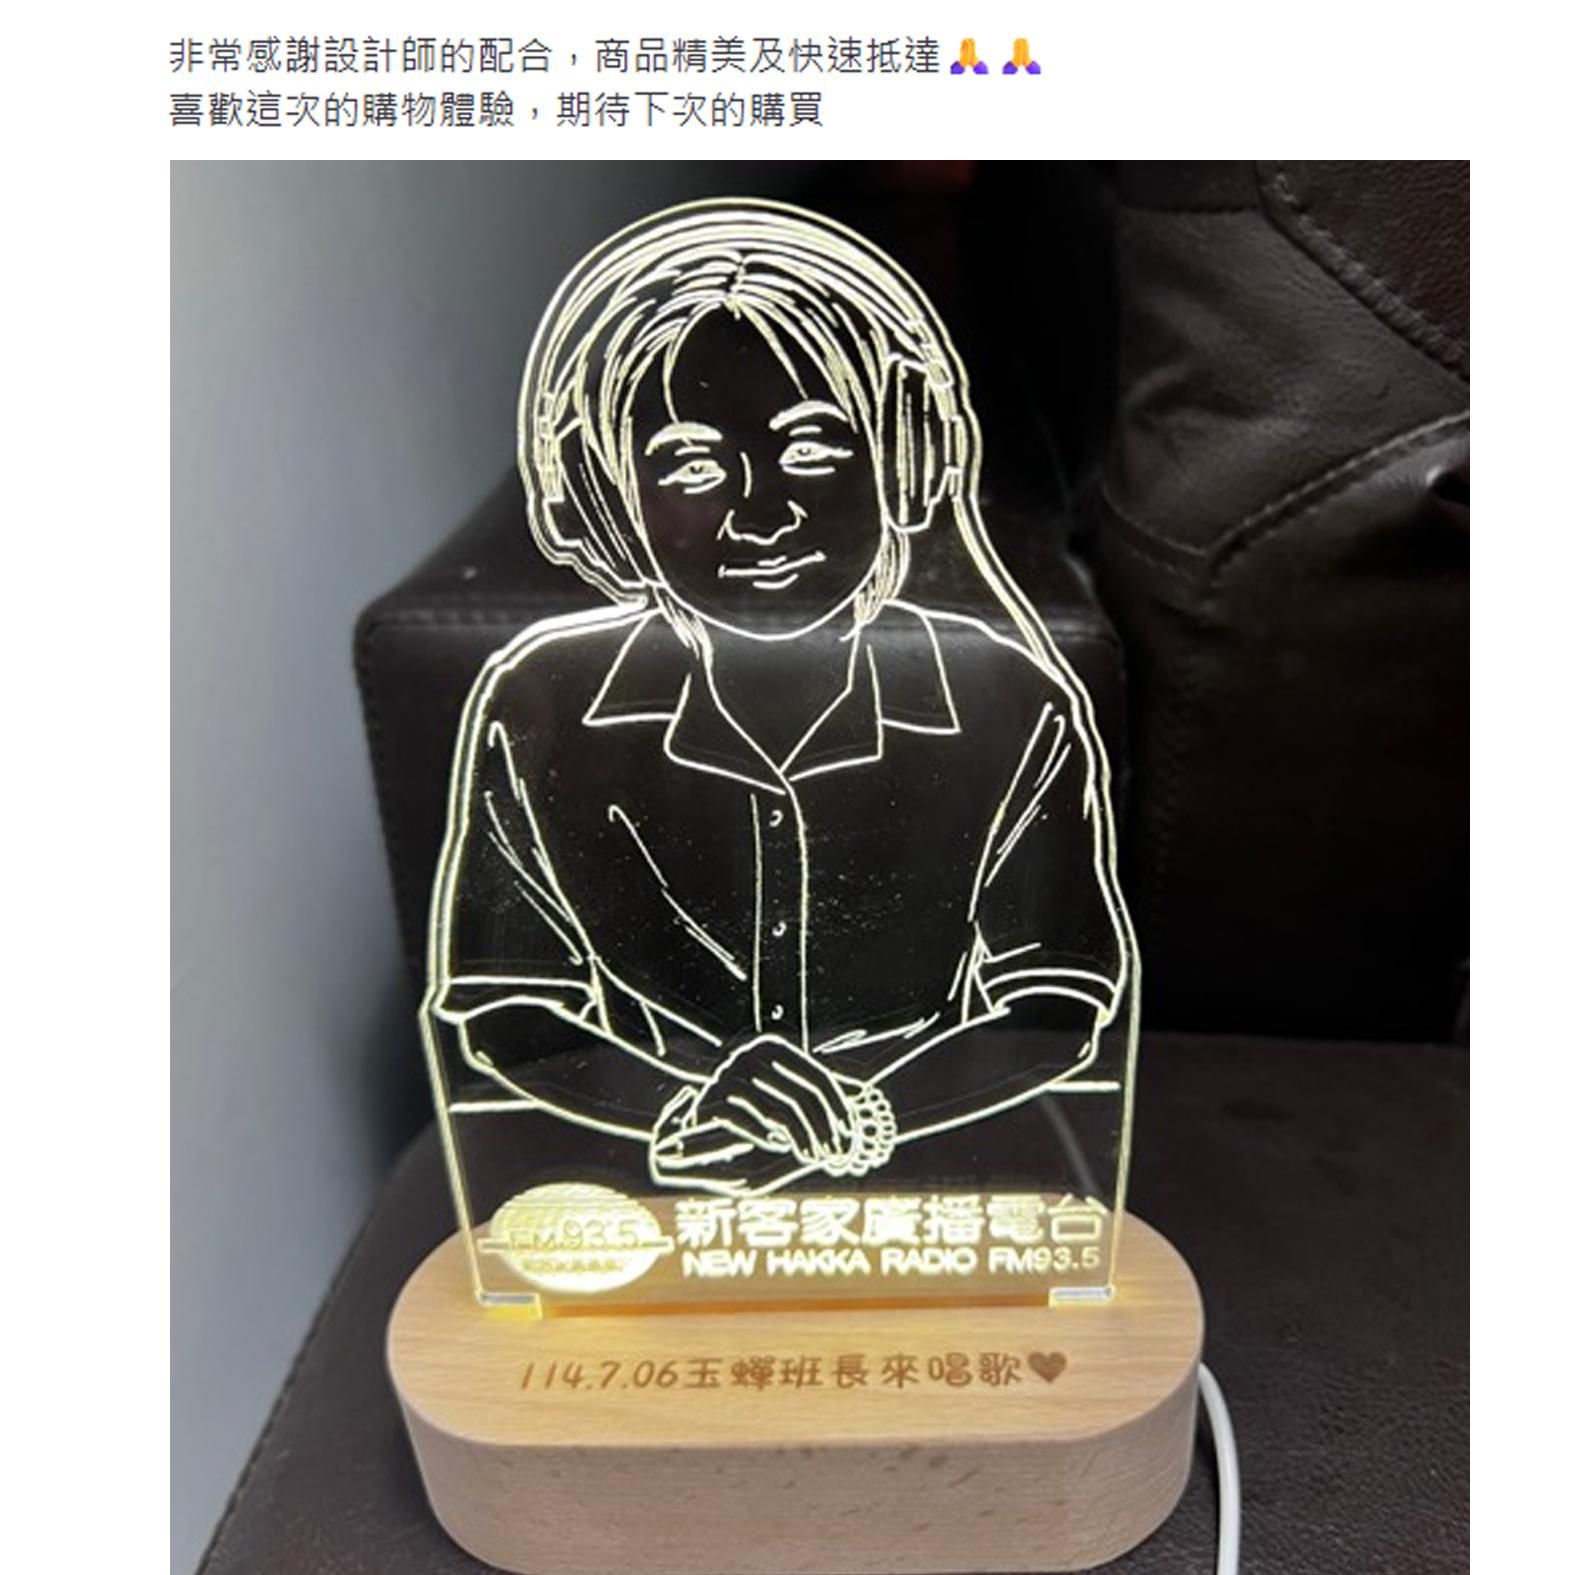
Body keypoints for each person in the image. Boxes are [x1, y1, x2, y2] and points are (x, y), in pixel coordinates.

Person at [422, 200, 1136, 1197]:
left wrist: (859, 1118)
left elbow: (1055, 999)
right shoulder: (539, 702)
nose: (760, 515)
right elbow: (509, 1004)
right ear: (602, 492)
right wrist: (678, 1109)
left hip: (929, 1175)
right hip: (650, 1185)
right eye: (690, 464)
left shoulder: (1012, 697)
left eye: (811, 450)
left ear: (904, 461)